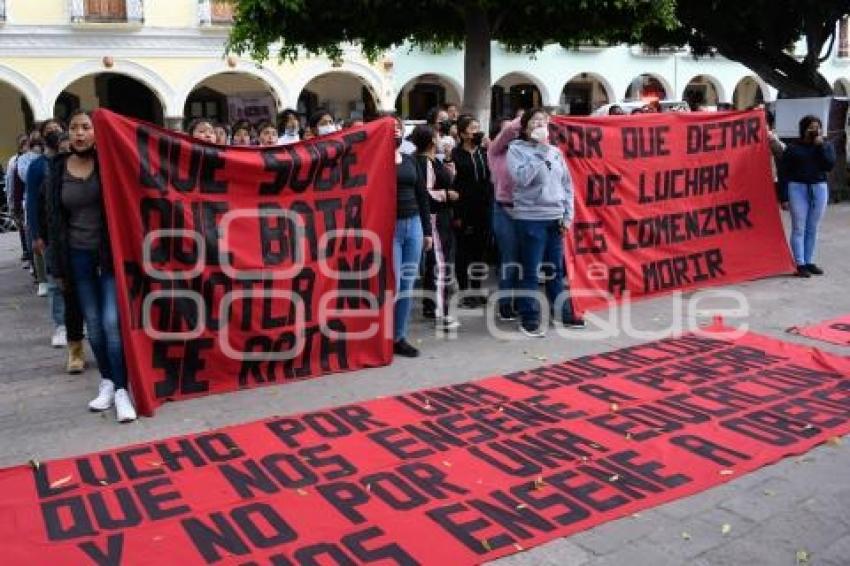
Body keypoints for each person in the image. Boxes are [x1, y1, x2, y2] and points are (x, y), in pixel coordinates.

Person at [46, 110, 136, 422]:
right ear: (67, 133)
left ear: (97, 133)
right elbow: (53, 220)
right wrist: (57, 267)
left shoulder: (108, 163)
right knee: (94, 324)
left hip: (109, 257)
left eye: (86, 127)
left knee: (112, 323)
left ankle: (124, 390)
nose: (80, 133)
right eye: (74, 128)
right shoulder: (57, 168)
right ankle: (108, 382)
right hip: (77, 258)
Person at [507, 108, 584, 337]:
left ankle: (562, 311)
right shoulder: (516, 150)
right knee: (531, 271)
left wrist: (567, 216)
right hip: (530, 218)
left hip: (555, 218)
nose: (540, 124)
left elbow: (567, 185)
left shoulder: (556, 152)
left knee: (555, 270)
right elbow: (522, 178)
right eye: (535, 120)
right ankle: (529, 317)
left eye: (544, 120)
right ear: (526, 125)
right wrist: (540, 150)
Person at [27, 118, 87, 372]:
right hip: (53, 237)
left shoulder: (86, 164)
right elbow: (32, 202)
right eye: (49, 132)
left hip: (81, 238)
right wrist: (36, 234)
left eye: (57, 130)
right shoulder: (39, 167)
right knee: (56, 285)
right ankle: (62, 327)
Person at [410, 124, 460, 331]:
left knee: (437, 265)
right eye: (437, 136)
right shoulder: (424, 163)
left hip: (443, 219)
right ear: (431, 141)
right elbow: (426, 192)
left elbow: (446, 179)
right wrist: (447, 195)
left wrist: (448, 161)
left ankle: (431, 305)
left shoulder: (433, 161)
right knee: (440, 265)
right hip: (435, 218)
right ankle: (442, 312)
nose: (441, 139)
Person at [391, 116, 432, 357]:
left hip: (414, 224)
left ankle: (399, 336)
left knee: (406, 284)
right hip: (390, 228)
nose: (396, 131)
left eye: (398, 127)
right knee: (393, 285)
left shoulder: (410, 160)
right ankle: (382, 335)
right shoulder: (374, 161)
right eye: (391, 128)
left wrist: (427, 230)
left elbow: (422, 196)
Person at [780, 115, 836, 277]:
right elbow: (784, 172)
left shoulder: (825, 145)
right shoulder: (793, 148)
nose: (815, 130)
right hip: (797, 188)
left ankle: (809, 261)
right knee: (799, 227)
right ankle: (800, 264)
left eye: (817, 127)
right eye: (811, 127)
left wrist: (821, 147)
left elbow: (829, 165)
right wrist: (783, 197)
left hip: (819, 188)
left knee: (813, 227)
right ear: (803, 129)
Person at [451, 115, 492, 307]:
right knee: (463, 252)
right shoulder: (456, 155)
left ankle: (477, 289)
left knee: (479, 251)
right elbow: (454, 184)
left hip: (483, 209)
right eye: (472, 128)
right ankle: (465, 291)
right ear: (462, 133)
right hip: (464, 209)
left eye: (478, 127)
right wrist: (457, 214)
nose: (477, 131)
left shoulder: (483, 153)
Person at [487, 116, 522, 321]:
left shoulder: (525, 151)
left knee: (524, 260)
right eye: (506, 131)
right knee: (509, 259)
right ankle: (505, 303)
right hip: (503, 210)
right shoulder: (495, 152)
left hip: (527, 210)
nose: (511, 133)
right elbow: (507, 132)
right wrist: (525, 119)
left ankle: (521, 300)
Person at [6, 134, 31, 269]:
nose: (26, 146)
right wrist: (12, 205)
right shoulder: (14, 161)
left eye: (28, 142)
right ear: (20, 147)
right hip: (21, 201)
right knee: (23, 228)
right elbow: (11, 184)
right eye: (23, 143)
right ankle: (27, 252)